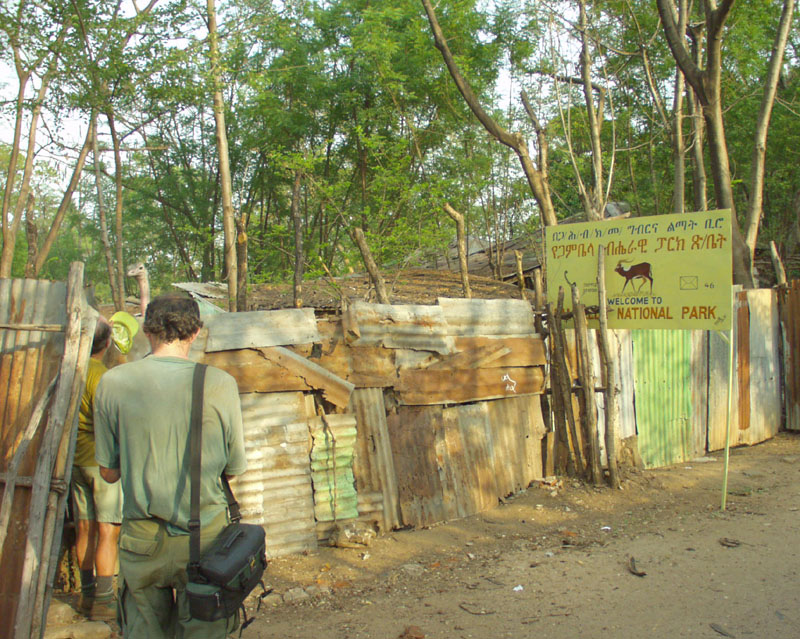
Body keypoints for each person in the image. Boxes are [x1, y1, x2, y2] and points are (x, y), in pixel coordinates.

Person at [94, 294, 247, 638]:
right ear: (196, 333)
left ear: (147, 331)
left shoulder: (113, 382)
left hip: (141, 540)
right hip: (206, 540)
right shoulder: (219, 383)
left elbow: (108, 472)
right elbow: (234, 468)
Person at [70, 317, 121, 621]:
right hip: (101, 465)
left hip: (74, 461)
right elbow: (113, 422)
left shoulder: (70, 370)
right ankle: (103, 601)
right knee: (107, 530)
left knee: (85, 528)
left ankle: (86, 595)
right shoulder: (101, 376)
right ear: (106, 343)